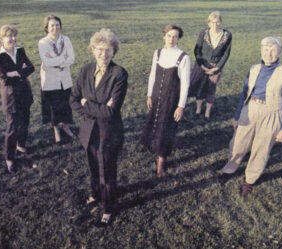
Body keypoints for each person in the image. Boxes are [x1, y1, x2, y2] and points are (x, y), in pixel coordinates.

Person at [70, 28, 128, 224]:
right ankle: (95, 194)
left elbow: (111, 111)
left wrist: (87, 103)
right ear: (92, 50)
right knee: (93, 167)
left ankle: (107, 207)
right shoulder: (85, 70)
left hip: (108, 133)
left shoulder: (119, 74)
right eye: (100, 49)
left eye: (108, 50)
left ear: (114, 52)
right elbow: (73, 99)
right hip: (88, 131)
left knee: (107, 172)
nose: (104, 54)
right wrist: (96, 107)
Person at [220, 37, 282, 197]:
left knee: (261, 148)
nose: (268, 53)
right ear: (261, 50)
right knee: (238, 141)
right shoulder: (254, 68)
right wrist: (237, 116)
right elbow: (244, 94)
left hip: (272, 113)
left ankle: (250, 180)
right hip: (250, 109)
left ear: (279, 53)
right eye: (265, 49)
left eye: (273, 50)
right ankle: (230, 168)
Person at [140, 24, 190, 177]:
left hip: (171, 99)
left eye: (175, 36)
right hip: (156, 96)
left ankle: (161, 160)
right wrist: (149, 95)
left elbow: (185, 83)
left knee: (166, 128)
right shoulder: (158, 53)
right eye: (169, 35)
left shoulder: (183, 57)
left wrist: (181, 106)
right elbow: (153, 75)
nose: (171, 39)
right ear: (164, 36)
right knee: (154, 121)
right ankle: (152, 145)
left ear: (178, 39)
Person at [0, 25, 34, 173]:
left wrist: (14, 73)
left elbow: (31, 68)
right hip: (11, 97)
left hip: (25, 93)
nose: (12, 39)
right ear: (1, 38)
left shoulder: (20, 50)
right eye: (9, 36)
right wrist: (20, 72)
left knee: (25, 122)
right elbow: (3, 80)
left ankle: (21, 144)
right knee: (12, 128)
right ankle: (9, 158)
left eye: (14, 35)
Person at [38, 15, 75, 143]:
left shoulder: (66, 39)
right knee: (53, 106)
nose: (55, 28)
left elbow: (72, 59)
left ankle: (66, 127)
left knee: (65, 104)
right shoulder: (43, 42)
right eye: (52, 25)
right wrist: (63, 59)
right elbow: (46, 62)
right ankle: (56, 130)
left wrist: (57, 61)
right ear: (47, 28)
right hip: (50, 79)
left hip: (64, 79)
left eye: (57, 25)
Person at [189, 11, 232, 120]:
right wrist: (201, 66)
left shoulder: (227, 35)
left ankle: (207, 111)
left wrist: (217, 68)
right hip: (201, 65)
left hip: (215, 67)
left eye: (217, 22)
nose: (215, 25)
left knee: (210, 89)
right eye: (212, 22)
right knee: (199, 86)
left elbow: (226, 54)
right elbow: (197, 50)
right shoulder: (204, 33)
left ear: (221, 22)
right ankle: (198, 109)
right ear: (208, 23)